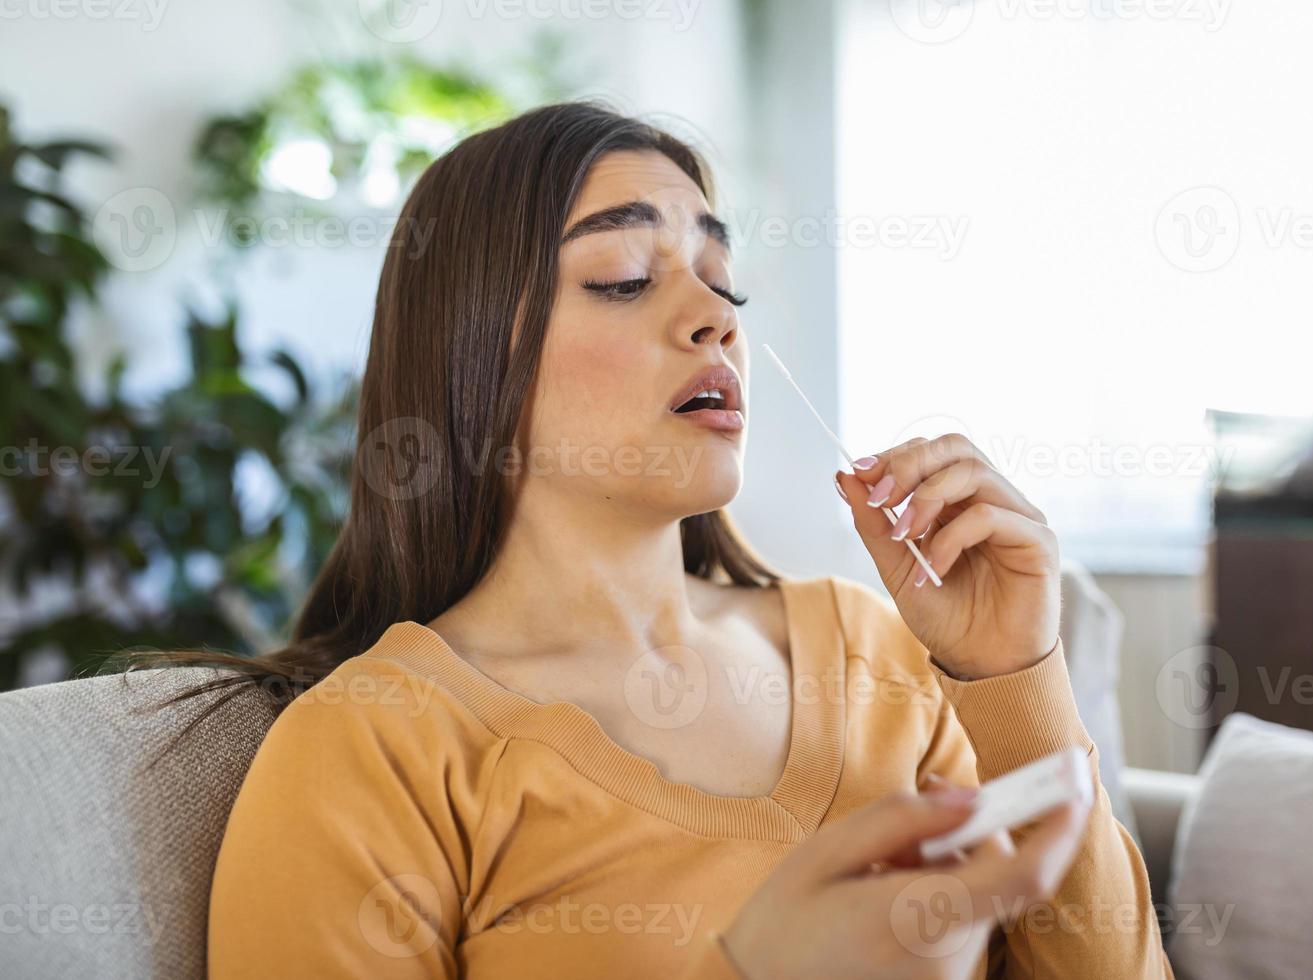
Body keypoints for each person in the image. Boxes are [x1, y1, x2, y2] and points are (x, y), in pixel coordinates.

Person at [196, 102, 1173, 978]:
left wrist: (1015, 675)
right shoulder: (367, 750)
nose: (715, 317)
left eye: (722, 281)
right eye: (625, 277)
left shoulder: (869, 651)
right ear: (468, 343)